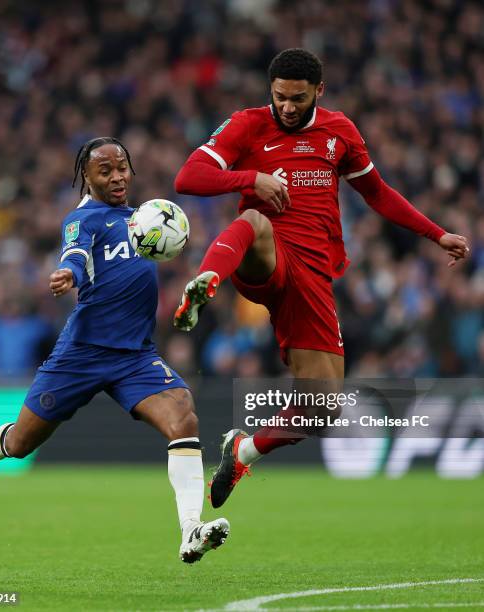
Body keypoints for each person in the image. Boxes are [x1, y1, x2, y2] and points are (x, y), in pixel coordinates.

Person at [172, 48, 470, 507]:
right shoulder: (248, 123)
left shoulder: (339, 132)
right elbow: (188, 177)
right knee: (256, 222)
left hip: (313, 275)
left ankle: (243, 451)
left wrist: (436, 234)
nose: (287, 107)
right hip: (266, 257)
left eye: (297, 98)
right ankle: (206, 281)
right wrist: (251, 179)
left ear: (318, 92)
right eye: (279, 98)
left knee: (323, 408)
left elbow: (378, 194)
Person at [0, 137, 229, 563]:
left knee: (183, 417)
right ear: (86, 176)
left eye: (122, 167)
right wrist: (67, 274)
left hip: (136, 356)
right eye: (105, 171)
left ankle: (190, 530)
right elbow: (74, 253)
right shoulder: (82, 219)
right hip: (81, 355)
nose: (118, 176)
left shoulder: (144, 219)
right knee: (23, 442)